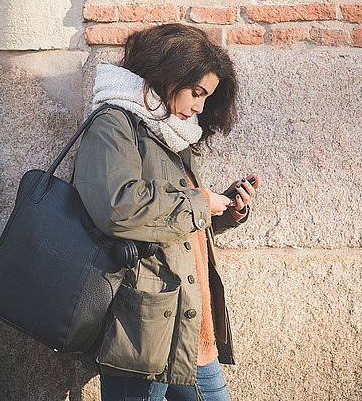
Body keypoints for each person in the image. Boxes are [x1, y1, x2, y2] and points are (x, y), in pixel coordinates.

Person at [73, 23, 260, 401]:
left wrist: (222, 211)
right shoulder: (115, 125)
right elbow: (118, 208)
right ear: (169, 75)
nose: (200, 107)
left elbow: (172, 223)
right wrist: (199, 203)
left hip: (191, 324)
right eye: (197, 93)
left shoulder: (172, 133)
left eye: (208, 97)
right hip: (142, 327)